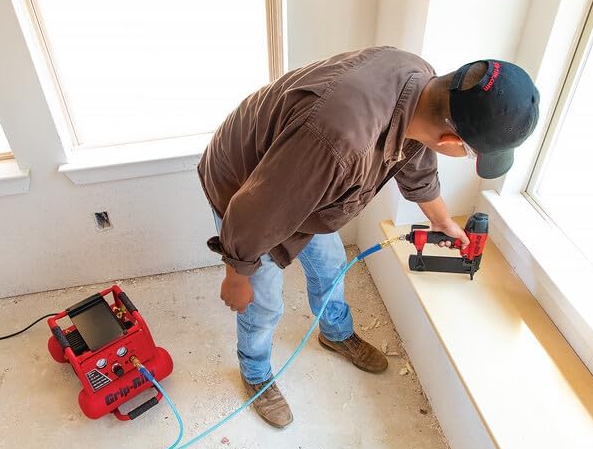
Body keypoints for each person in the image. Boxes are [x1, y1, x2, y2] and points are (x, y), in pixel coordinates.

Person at [197, 47, 539, 428]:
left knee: (329, 265)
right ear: (450, 141)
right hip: (244, 180)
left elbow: (416, 157)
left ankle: (335, 333)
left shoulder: (422, 85)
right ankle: (256, 372)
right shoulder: (338, 142)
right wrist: (237, 274)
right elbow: (254, 211)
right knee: (263, 304)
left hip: (294, 176)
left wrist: (441, 219)